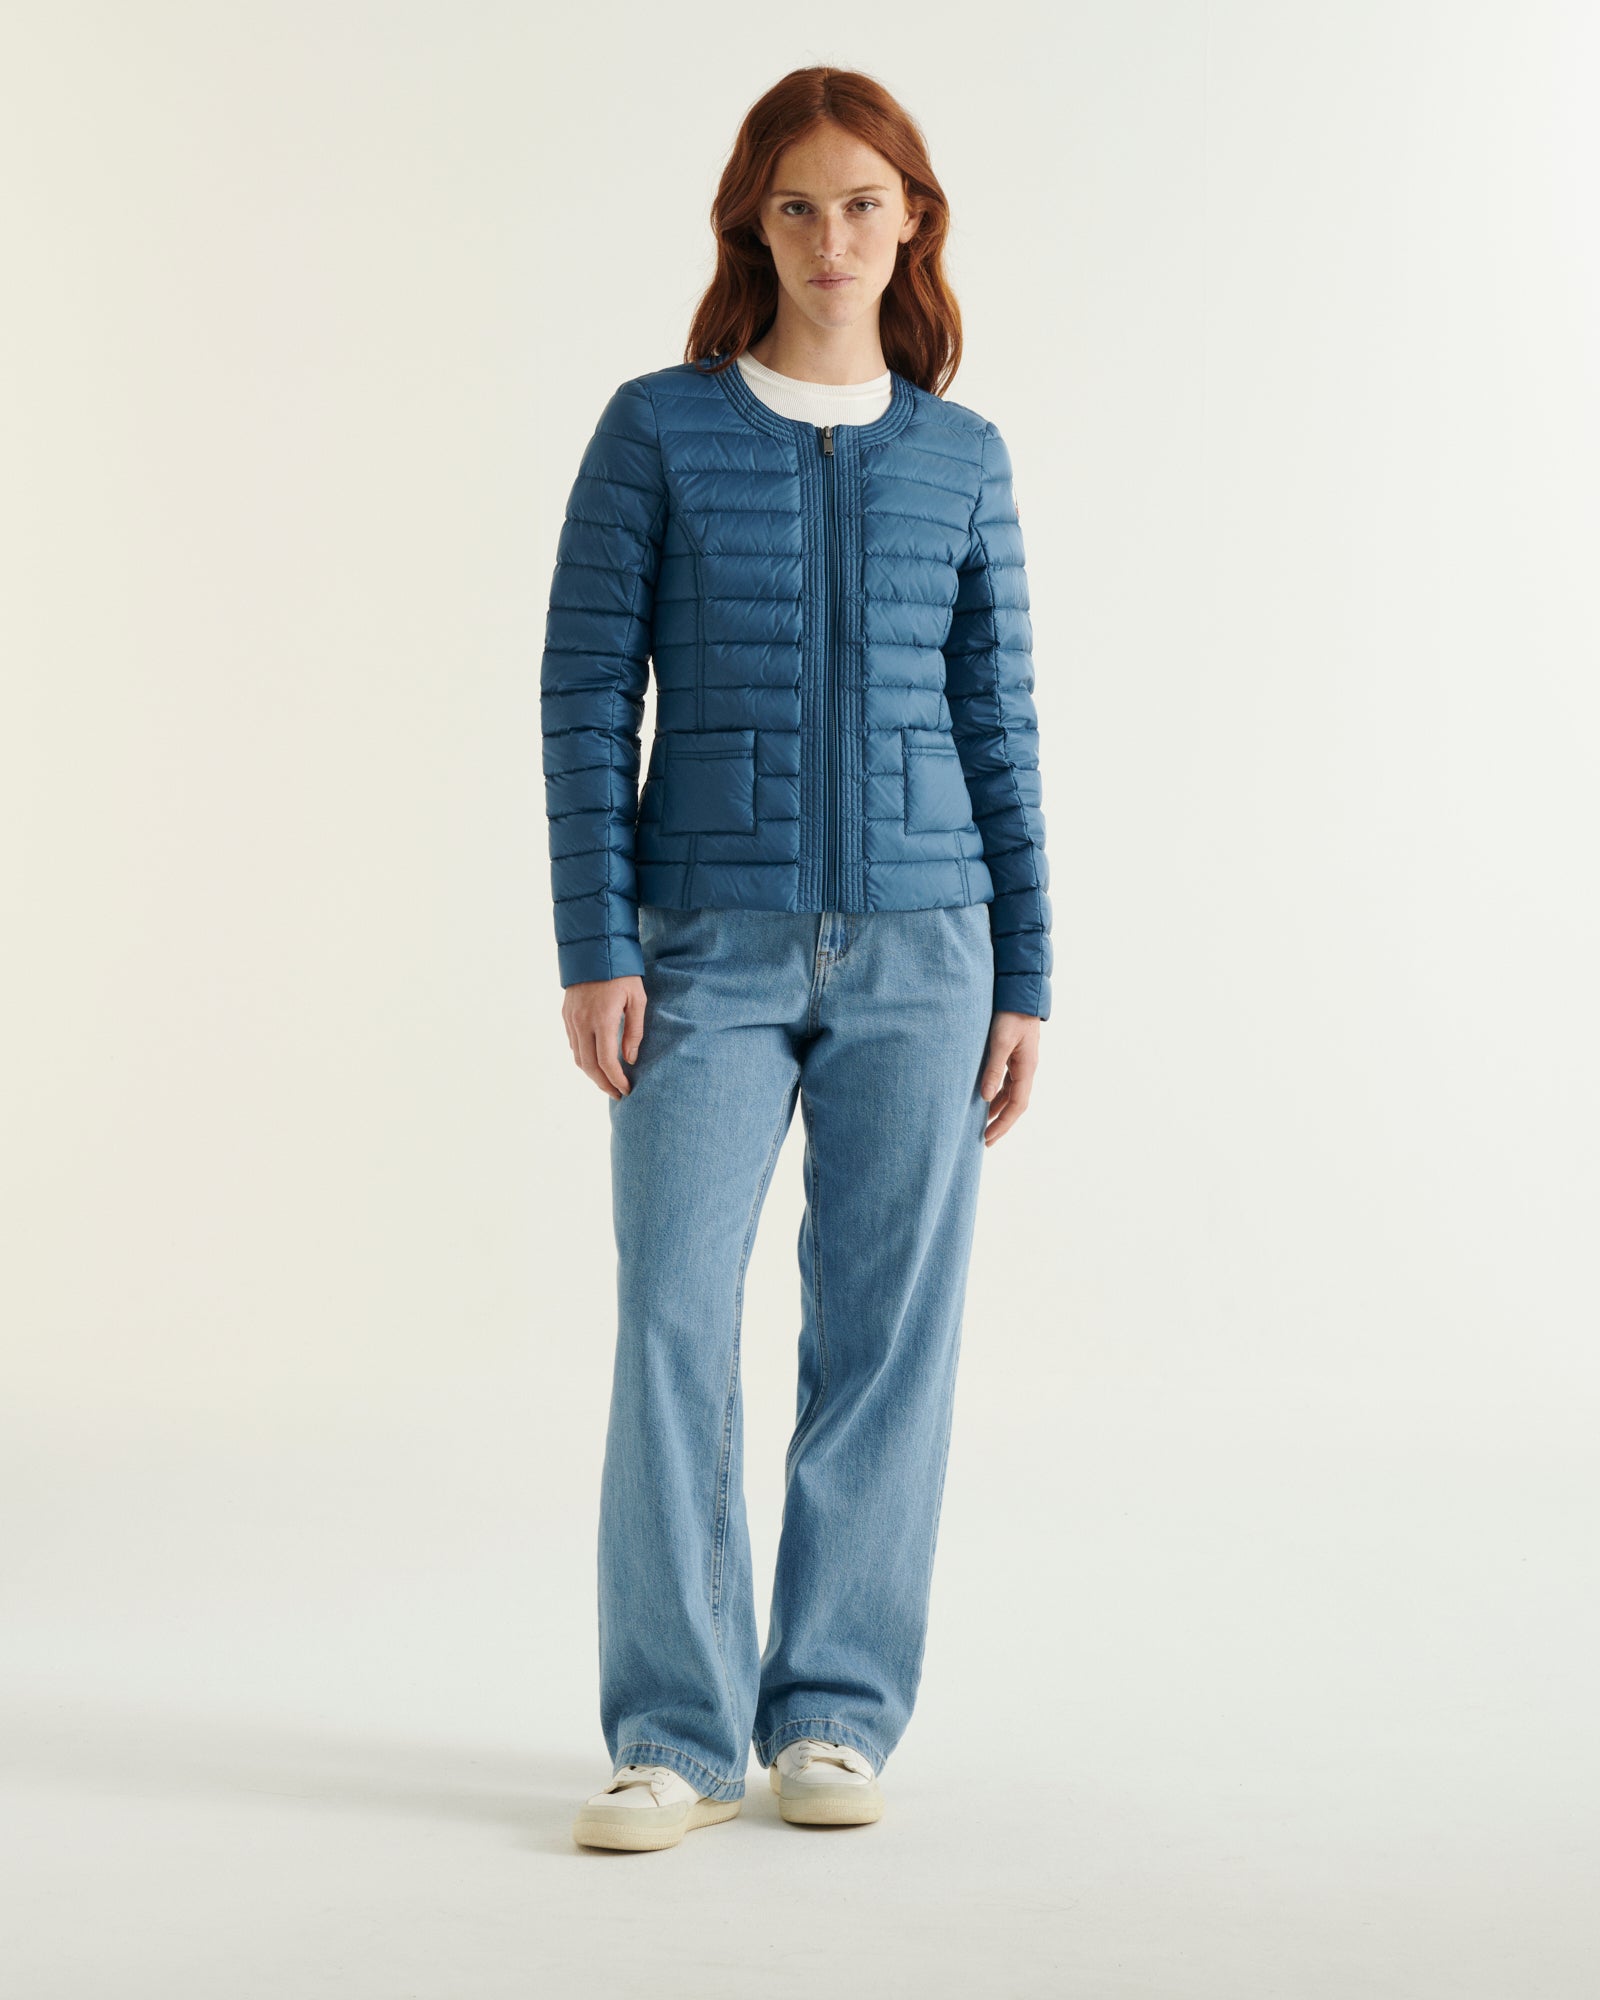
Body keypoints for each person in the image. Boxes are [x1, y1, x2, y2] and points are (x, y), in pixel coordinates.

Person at [540, 65, 1052, 1854]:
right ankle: (676, 1733)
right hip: (706, 948)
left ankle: (832, 1711)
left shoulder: (963, 459)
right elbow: (585, 694)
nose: (833, 237)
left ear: (912, 223)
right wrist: (597, 942)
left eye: (863, 204)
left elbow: (999, 726)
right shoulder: (658, 430)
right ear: (752, 226)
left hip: (930, 947)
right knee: (673, 1321)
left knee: (884, 1340)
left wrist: (1028, 974)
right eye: (799, 206)